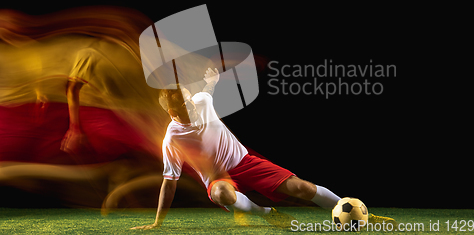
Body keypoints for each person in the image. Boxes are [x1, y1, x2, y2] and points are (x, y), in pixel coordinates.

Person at [132, 67, 388, 230]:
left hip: (246, 163)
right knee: (221, 193)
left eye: (190, 97)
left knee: (303, 188)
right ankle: (266, 213)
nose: (192, 103)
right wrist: (157, 222)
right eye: (186, 104)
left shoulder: (200, 100)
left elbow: (207, 92)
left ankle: (362, 214)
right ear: (172, 113)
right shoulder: (172, 139)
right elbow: (170, 181)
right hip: (219, 180)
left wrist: (212, 81)